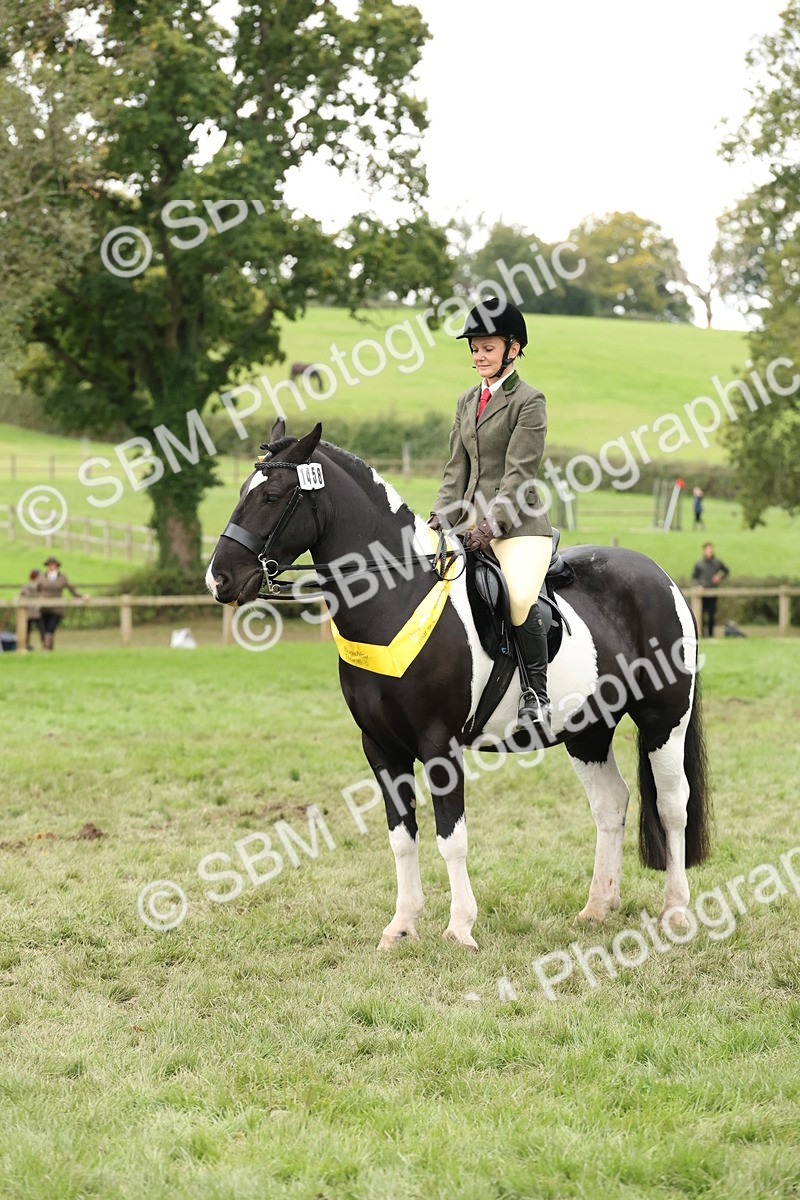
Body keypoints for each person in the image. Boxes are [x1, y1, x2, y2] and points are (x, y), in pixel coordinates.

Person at [429, 297, 553, 735]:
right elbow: (455, 471)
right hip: (468, 527)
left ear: (512, 349)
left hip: (518, 527)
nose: (479, 355)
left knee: (518, 598)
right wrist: (438, 520)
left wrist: (490, 526)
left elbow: (519, 476)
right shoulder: (466, 401)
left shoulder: (529, 401)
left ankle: (536, 696)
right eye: (475, 348)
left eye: (488, 348)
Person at [35, 556, 90, 650]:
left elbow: (71, 589)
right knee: (44, 629)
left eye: (53, 564)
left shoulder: (62, 577)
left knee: (51, 628)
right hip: (44, 607)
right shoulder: (41, 577)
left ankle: (47, 648)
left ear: (57, 565)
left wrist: (81, 596)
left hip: (57, 607)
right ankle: (47, 648)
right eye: (49, 564)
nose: (51, 566)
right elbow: (36, 589)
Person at [691, 543, 729, 638]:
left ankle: (711, 634)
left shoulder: (717, 562)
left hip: (713, 592)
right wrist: (698, 585)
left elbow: (726, 571)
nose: (709, 552)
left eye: (710, 550)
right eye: (707, 550)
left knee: (712, 614)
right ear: (704, 551)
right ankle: (702, 635)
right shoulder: (699, 564)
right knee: (701, 614)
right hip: (702, 593)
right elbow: (694, 577)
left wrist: (719, 577)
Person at [18, 569, 43, 650]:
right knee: (27, 630)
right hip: (30, 611)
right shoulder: (28, 586)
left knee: (40, 630)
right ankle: (26, 645)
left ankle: (45, 646)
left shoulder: (40, 586)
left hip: (35, 611)